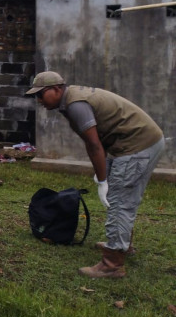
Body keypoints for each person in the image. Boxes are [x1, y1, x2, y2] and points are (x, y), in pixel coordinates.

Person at [26, 71, 165, 279]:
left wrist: (102, 180)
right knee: (123, 199)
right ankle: (122, 245)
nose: (39, 100)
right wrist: (104, 171)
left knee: (119, 201)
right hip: (139, 143)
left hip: (136, 146)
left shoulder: (75, 105)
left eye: (41, 94)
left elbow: (93, 144)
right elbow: (102, 135)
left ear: (56, 89)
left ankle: (113, 264)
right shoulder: (72, 99)